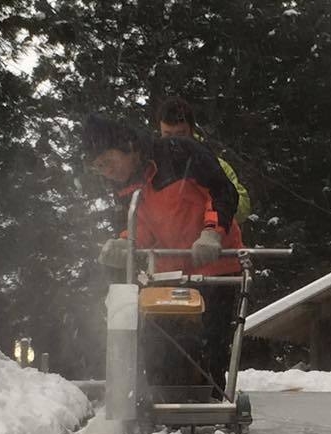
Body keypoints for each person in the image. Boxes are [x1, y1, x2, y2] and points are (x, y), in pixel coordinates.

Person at [81, 112, 243, 394]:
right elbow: (140, 225)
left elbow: (222, 191)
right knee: (161, 343)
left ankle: (211, 405)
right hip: (169, 270)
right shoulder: (124, 184)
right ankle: (158, 405)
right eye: (99, 168)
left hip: (215, 265)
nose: (107, 172)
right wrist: (125, 242)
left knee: (209, 344)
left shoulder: (180, 154)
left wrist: (212, 232)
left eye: (107, 162)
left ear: (128, 146)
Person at [152, 96, 251, 224]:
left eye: (180, 135)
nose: (174, 142)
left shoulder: (214, 164)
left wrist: (212, 201)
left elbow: (242, 209)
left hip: (209, 237)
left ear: (192, 130)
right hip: (166, 242)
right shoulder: (152, 167)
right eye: (167, 135)